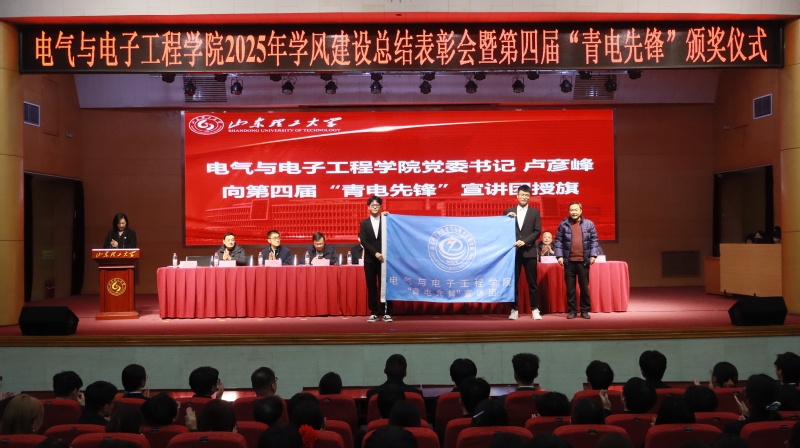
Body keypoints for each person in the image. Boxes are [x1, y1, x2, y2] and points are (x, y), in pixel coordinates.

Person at [554, 202, 599, 319]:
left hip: (583, 261)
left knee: (584, 288)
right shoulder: (563, 224)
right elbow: (558, 241)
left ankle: (584, 310)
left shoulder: (589, 224)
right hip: (569, 262)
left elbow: (594, 240)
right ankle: (572, 310)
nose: (574, 212)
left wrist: (593, 255)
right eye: (571, 210)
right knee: (570, 289)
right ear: (569, 211)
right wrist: (559, 256)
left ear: (581, 211)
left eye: (576, 210)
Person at [504, 184, 542, 320]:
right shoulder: (509, 211)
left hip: (529, 251)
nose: (524, 197)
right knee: (513, 283)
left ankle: (535, 309)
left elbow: (537, 231)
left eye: (527, 195)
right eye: (522, 194)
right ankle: (514, 309)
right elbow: (501, 228)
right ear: (517, 195)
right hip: (513, 253)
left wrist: (525, 242)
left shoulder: (535, 212)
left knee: (532, 283)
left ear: (529, 197)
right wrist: (506, 218)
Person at [358, 196, 391, 322]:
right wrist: (375, 253)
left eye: (377, 205)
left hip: (384, 259)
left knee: (385, 286)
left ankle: (386, 312)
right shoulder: (364, 223)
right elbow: (364, 241)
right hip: (370, 259)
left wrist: (389, 217)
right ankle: (374, 312)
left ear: (381, 206)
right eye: (373, 205)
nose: (375, 207)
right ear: (368, 207)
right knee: (371, 286)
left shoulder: (386, 220)